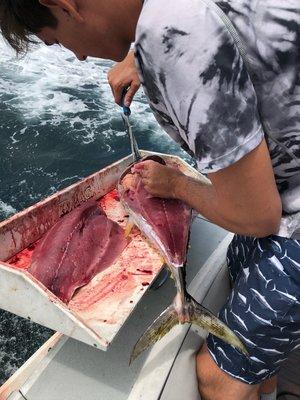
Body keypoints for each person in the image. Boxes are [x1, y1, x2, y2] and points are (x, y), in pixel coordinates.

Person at [0, 1, 299, 399]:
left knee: (218, 378)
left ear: (64, 5)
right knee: (238, 266)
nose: (80, 56)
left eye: (58, 41)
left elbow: (257, 217)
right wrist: (141, 53)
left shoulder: (176, 40)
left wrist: (175, 185)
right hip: (283, 187)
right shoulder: (168, 20)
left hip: (283, 212)